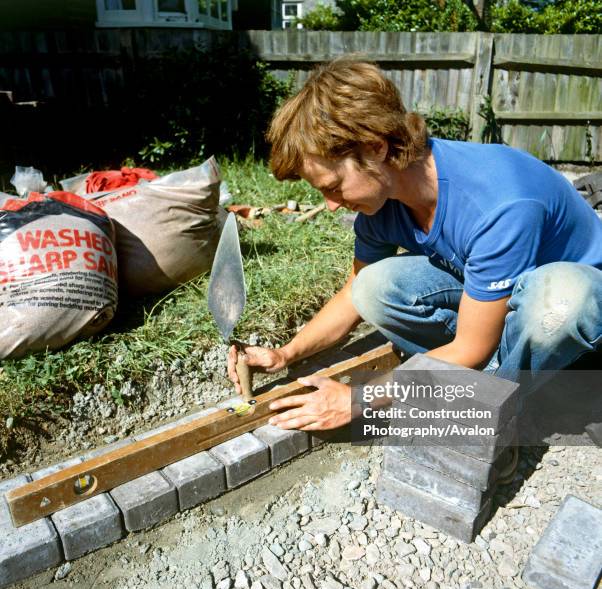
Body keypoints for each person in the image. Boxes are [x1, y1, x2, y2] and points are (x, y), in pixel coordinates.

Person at [227, 57, 602, 433]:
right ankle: (486, 375)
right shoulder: (383, 204)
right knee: (373, 285)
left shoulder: (499, 206)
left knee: (565, 299)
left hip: (575, 322)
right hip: (502, 304)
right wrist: (285, 354)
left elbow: (472, 347)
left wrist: (357, 399)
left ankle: (499, 409)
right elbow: (354, 292)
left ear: (375, 148)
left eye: (333, 186)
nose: (329, 204)